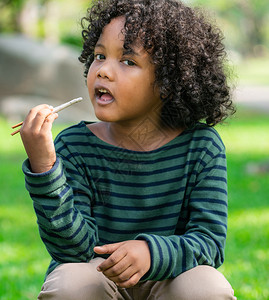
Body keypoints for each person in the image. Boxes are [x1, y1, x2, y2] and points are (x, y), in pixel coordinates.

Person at [20, 0, 237, 299]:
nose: (103, 71)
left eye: (128, 61)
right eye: (99, 56)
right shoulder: (74, 147)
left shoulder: (201, 147)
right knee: (70, 284)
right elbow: (71, 250)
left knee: (206, 287)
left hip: (170, 277)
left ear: (170, 83)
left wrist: (151, 253)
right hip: (97, 275)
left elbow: (208, 244)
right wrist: (44, 166)